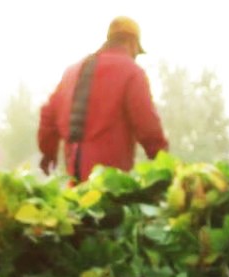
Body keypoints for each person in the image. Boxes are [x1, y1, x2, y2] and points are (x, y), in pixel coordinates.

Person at [38, 16, 169, 182]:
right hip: (110, 186)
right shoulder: (131, 71)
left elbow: (48, 115)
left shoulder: (71, 72)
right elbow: (147, 125)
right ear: (132, 43)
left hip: (74, 178)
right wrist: (163, 162)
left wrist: (48, 153)